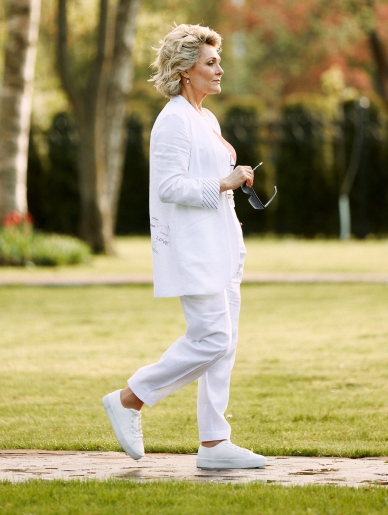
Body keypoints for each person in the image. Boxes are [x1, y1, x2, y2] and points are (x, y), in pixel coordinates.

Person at [102, 24, 266, 469]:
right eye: (211, 62)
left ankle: (214, 443)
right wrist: (224, 182)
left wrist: (230, 191)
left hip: (224, 244)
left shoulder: (206, 119)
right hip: (194, 249)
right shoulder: (173, 120)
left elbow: (206, 181)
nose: (220, 69)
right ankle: (130, 398)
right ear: (185, 70)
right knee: (212, 339)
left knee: (224, 344)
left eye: (218, 61)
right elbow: (170, 187)